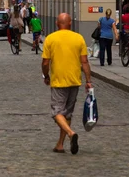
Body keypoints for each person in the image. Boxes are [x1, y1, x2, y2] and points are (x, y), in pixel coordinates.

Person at [42, 13, 92, 155]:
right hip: (74, 80)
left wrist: (46, 76)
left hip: (59, 81)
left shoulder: (50, 39)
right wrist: (88, 81)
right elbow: (84, 62)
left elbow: (45, 62)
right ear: (70, 23)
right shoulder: (79, 38)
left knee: (57, 112)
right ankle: (60, 145)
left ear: (57, 23)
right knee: (67, 114)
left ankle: (70, 133)